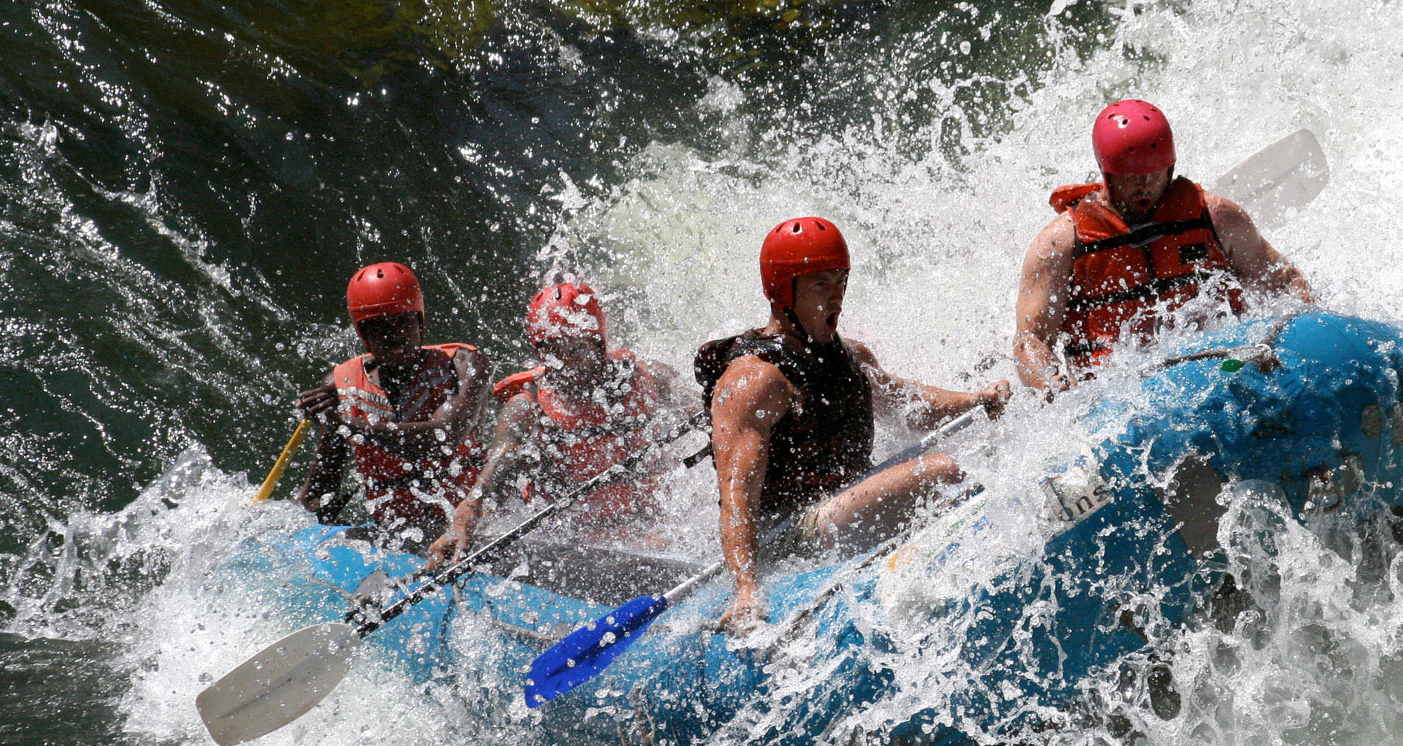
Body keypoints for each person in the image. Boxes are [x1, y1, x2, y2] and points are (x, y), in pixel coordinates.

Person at [697, 217, 1010, 636]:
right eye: (821, 285)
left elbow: (909, 406)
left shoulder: (850, 356)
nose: (837, 297)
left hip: (843, 503)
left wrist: (975, 401)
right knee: (941, 470)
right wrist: (746, 587)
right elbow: (737, 496)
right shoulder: (753, 382)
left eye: (841, 281)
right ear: (783, 290)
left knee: (974, 455)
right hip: (791, 534)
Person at [1013, 99, 1316, 391]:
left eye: (1154, 173)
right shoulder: (1059, 245)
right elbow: (1031, 340)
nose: (1144, 185)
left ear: (1170, 168)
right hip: (1115, 399)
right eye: (1131, 177)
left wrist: (1291, 339)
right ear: (1107, 174)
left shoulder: (1219, 218)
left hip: (1224, 373)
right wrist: (1051, 384)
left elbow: (1286, 283)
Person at [425, 280, 683, 570]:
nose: (565, 361)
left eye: (575, 347)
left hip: (659, 536)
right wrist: (462, 523)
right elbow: (487, 483)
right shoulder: (527, 408)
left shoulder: (654, 380)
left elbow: (720, 421)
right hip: (576, 547)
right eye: (552, 350)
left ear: (598, 341)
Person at [296, 262, 491, 548]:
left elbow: (444, 440)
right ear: (363, 334)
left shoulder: (463, 365)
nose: (395, 335)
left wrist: (349, 425)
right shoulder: (341, 386)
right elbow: (320, 494)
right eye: (380, 327)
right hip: (398, 538)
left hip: (470, 531)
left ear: (419, 322)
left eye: (403, 322)